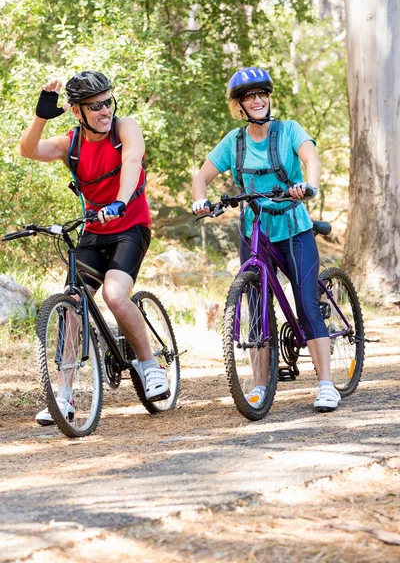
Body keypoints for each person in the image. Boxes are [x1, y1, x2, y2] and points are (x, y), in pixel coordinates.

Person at [20, 71, 169, 425]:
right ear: (77, 112)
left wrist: (119, 201)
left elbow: (133, 161)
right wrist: (41, 114)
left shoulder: (124, 129)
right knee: (72, 304)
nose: (105, 110)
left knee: (116, 295)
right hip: (94, 230)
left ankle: (150, 366)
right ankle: (65, 396)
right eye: (95, 106)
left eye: (107, 102)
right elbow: (27, 151)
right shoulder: (69, 144)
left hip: (130, 226)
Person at [192, 66, 341, 412]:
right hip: (254, 231)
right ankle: (259, 386)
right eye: (249, 96)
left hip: (294, 229)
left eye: (262, 94)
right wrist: (200, 199)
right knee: (256, 310)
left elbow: (311, 157)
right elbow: (202, 177)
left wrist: (308, 185)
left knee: (305, 304)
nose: (258, 101)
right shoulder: (235, 141)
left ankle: (326, 384)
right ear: (239, 106)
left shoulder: (289, 130)